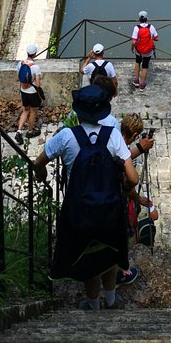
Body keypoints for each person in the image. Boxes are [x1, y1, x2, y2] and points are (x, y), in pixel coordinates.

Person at [33, 84, 138, 311]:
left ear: (78, 112)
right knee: (109, 252)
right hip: (109, 210)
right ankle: (111, 300)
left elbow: (38, 163)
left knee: (88, 256)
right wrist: (125, 186)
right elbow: (133, 178)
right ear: (104, 112)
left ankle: (93, 304)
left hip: (80, 211)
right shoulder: (114, 138)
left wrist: (41, 176)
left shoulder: (66, 137)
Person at [117, 112, 158, 286]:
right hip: (118, 203)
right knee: (121, 235)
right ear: (134, 136)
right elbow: (129, 183)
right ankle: (121, 272)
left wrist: (140, 149)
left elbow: (123, 155)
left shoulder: (114, 140)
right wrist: (138, 199)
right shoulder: (121, 149)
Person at [15, 43, 43, 143]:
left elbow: (17, 78)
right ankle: (30, 131)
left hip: (23, 91)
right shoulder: (35, 67)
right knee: (33, 111)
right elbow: (38, 85)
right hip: (32, 92)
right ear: (35, 54)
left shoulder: (20, 63)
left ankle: (19, 131)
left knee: (25, 110)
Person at [131, 11, 158, 90]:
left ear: (139, 19)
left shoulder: (137, 28)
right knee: (145, 66)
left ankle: (136, 81)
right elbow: (157, 38)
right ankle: (142, 85)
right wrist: (151, 38)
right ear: (147, 18)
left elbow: (134, 41)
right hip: (148, 51)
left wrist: (132, 48)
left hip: (139, 50)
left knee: (137, 62)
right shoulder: (151, 27)